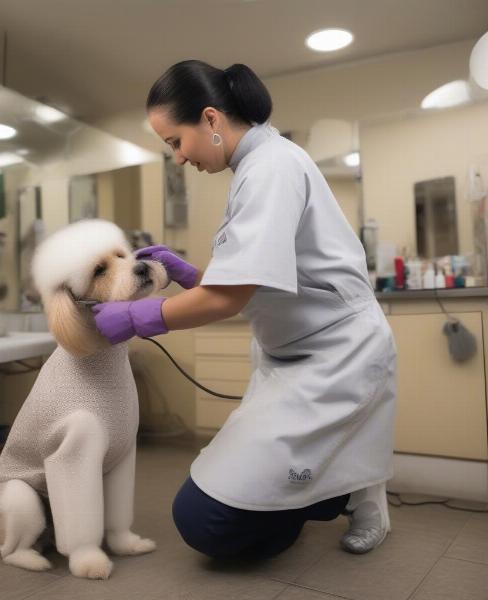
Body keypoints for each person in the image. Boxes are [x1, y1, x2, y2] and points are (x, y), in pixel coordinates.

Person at [91, 60, 397, 559]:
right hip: (288, 359)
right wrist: (189, 274)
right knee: (219, 503)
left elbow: (230, 297)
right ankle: (322, 493)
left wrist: (135, 318)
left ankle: (356, 496)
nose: (177, 158)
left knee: (208, 524)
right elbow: (247, 279)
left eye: (174, 142)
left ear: (211, 119)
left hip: (337, 354)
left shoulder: (271, 166)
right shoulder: (256, 168)